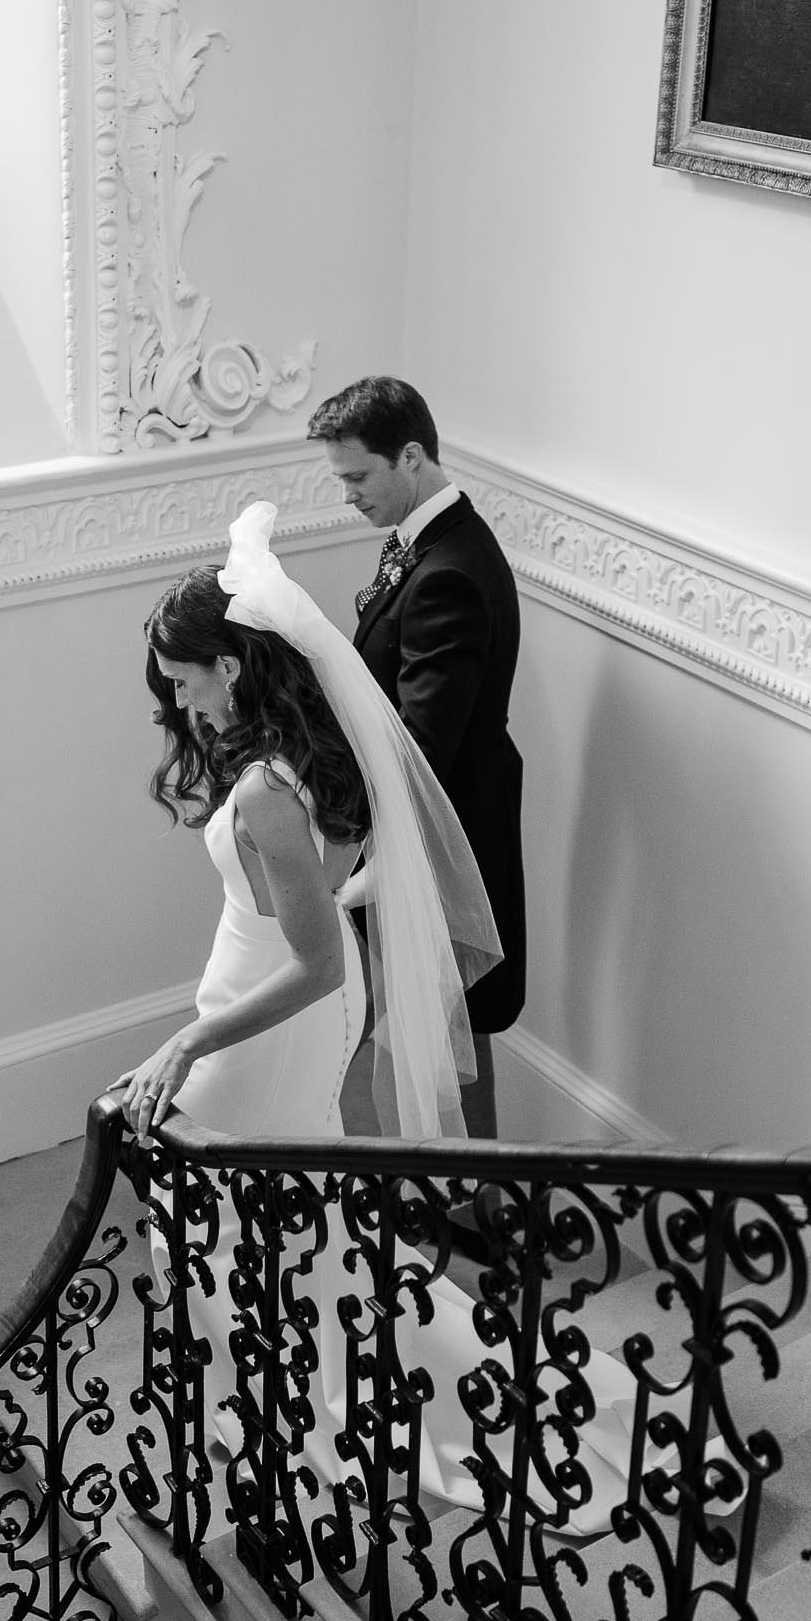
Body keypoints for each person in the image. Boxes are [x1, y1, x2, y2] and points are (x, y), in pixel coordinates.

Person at [107, 503, 658, 1531]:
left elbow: (315, 965)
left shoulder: (270, 788)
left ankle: (283, 1404)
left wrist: (187, 1037)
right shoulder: (293, 753)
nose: (176, 704)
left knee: (212, 1203)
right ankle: (275, 1390)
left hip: (268, 1017)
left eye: (182, 680)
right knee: (269, 1211)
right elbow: (329, 898)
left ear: (229, 666)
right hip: (266, 999)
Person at [307, 378, 526, 1138]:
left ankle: (475, 1208)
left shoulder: (451, 575)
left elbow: (421, 745)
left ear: (411, 456)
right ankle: (461, 1197)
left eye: (357, 478)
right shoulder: (427, 541)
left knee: (446, 1015)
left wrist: (370, 850)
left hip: (443, 833)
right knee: (432, 1019)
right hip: (429, 819)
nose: (348, 496)